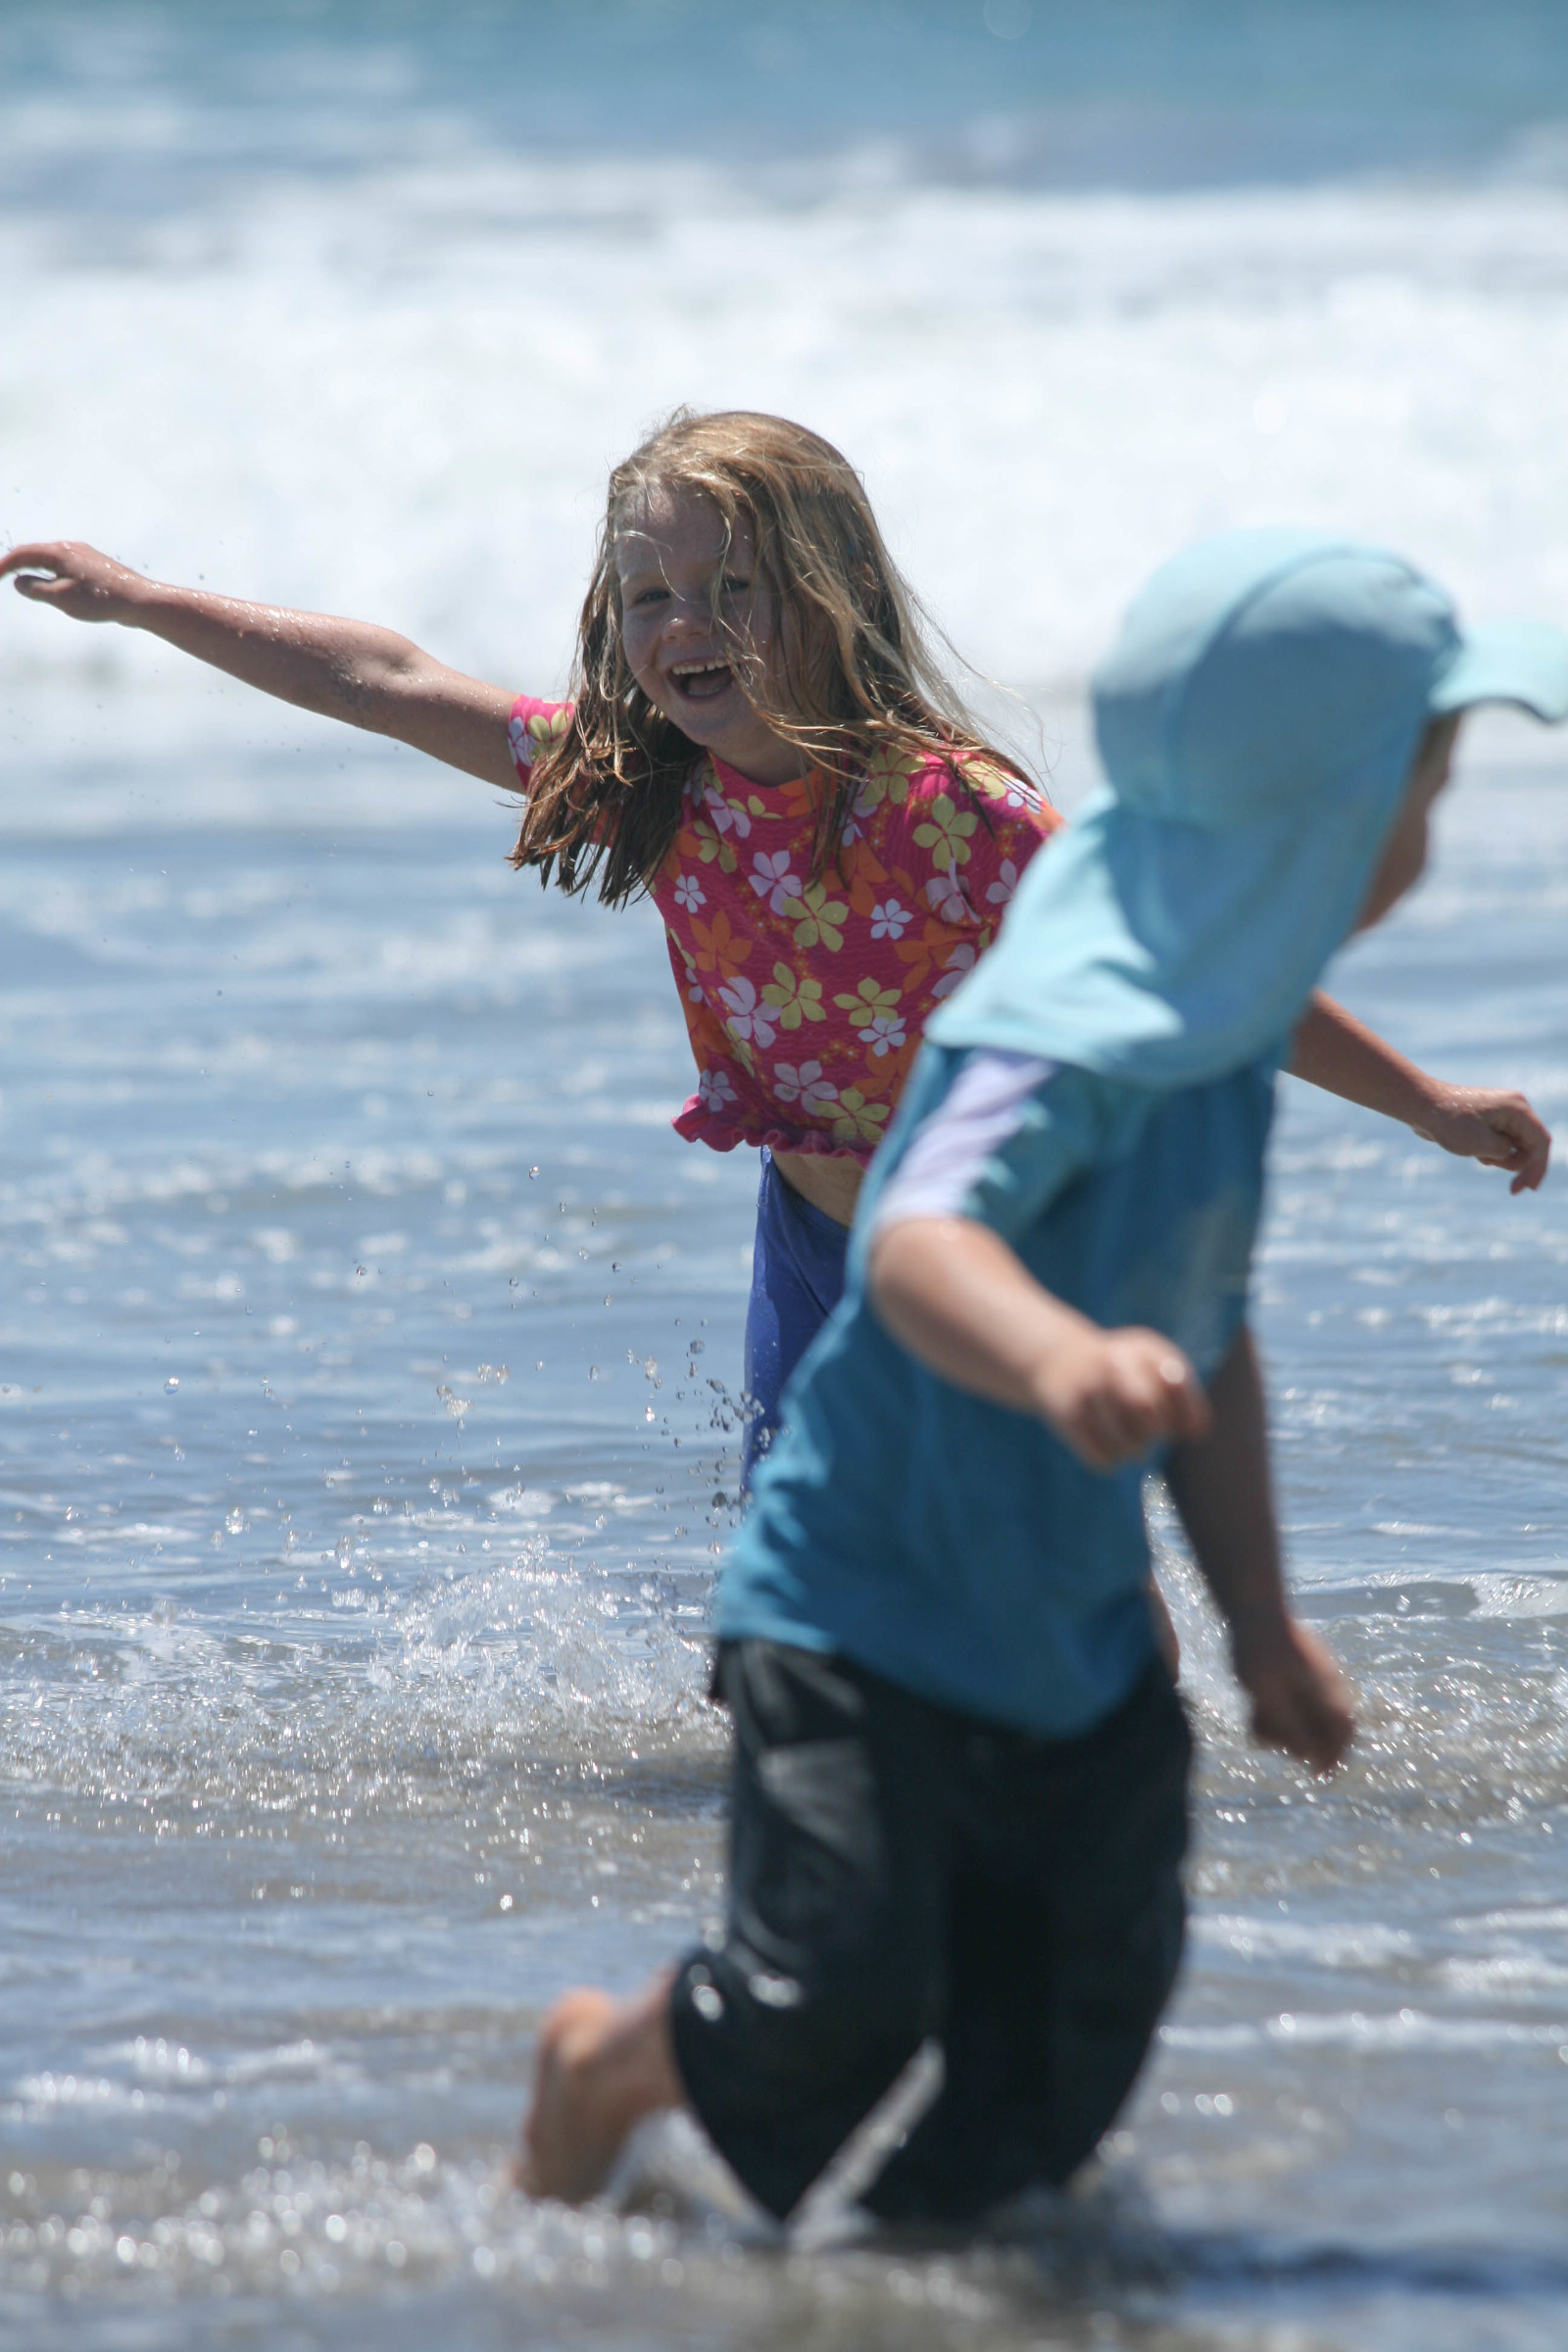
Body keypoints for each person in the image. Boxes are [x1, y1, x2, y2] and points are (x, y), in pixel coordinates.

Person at [516, 529, 1568, 2224]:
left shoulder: (1207, 994)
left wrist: (1260, 1621)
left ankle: (907, 2274)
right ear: (1319, 806)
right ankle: (606, 2064)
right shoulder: (1082, 1004)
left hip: (1066, 1621)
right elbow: (924, 1242)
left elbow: (1207, 1326)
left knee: (1076, 2026)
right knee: (832, 1993)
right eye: (1422, 794)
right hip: (857, 1605)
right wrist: (1064, 1351)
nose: (1429, 841)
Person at [1, 415, 1550, 1482]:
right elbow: (384, 680)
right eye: (650, 595)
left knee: (1038, 1575)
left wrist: (1426, 1103)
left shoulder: (953, 813)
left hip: (1009, 1247)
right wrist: (147, 602)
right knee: (790, 1604)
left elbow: (1192, 963)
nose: (684, 622)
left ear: (831, 595)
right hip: (812, 1236)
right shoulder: (643, 783)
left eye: (730, 588)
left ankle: (1120, 1777)